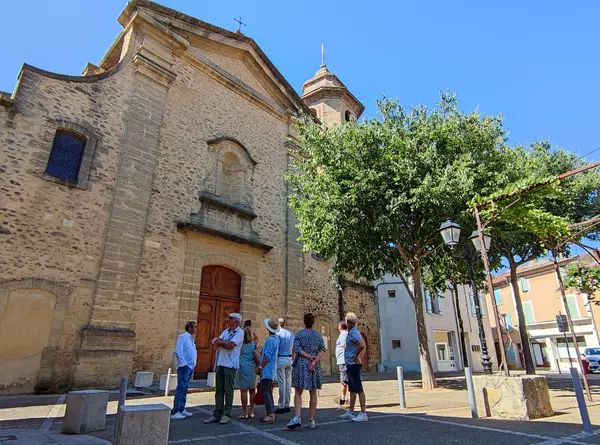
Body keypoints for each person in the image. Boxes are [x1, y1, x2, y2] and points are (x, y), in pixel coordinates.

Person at [286, 313, 326, 430]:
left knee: (298, 391)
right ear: (313, 322)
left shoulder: (300, 334)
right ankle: (311, 420)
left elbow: (297, 349)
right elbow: (323, 349)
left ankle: (297, 417)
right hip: (314, 365)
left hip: (302, 364)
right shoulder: (317, 335)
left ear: (304, 321)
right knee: (313, 392)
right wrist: (314, 360)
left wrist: (308, 357)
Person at [204, 313, 244, 425]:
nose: (228, 320)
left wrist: (221, 342)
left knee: (228, 390)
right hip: (220, 363)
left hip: (230, 364)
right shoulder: (226, 331)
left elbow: (230, 345)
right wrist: (222, 342)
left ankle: (227, 414)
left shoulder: (240, 333)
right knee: (219, 390)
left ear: (236, 321)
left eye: (230, 318)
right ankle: (217, 414)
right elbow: (215, 342)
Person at [340, 312, 368, 422]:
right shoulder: (351, 332)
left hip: (353, 364)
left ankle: (363, 413)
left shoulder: (353, 333)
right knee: (352, 389)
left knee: (359, 389)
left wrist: (356, 356)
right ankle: (351, 411)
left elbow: (361, 345)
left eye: (346, 320)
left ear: (349, 322)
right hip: (350, 364)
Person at [171, 320, 198, 420]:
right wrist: (183, 364)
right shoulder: (183, 337)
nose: (195, 329)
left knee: (185, 388)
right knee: (181, 387)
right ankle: (175, 411)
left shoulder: (191, 339)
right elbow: (179, 351)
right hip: (185, 367)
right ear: (189, 328)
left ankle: (182, 409)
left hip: (190, 366)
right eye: (194, 327)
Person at [235, 325, 260, 419]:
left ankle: (244, 412)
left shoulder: (240, 345)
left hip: (242, 368)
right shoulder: (254, 344)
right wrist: (252, 332)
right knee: (252, 390)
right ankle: (252, 411)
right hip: (252, 368)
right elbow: (257, 338)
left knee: (243, 390)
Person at [258, 318, 280, 424]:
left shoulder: (271, 340)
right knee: (268, 390)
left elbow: (267, 356)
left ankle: (270, 413)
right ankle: (271, 412)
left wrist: (261, 366)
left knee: (265, 390)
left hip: (267, 369)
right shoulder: (275, 339)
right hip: (271, 369)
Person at [275, 317, 294, 414]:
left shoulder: (277, 334)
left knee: (282, 383)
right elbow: (293, 347)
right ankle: (287, 404)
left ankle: (281, 405)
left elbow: (276, 347)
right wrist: (292, 358)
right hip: (289, 358)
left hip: (280, 358)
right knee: (288, 383)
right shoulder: (290, 333)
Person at [335, 321, 349, 406]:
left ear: (340, 327)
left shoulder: (344, 334)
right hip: (343, 361)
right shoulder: (344, 334)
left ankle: (345, 399)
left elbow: (346, 346)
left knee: (345, 381)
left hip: (344, 361)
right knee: (345, 381)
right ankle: (343, 398)